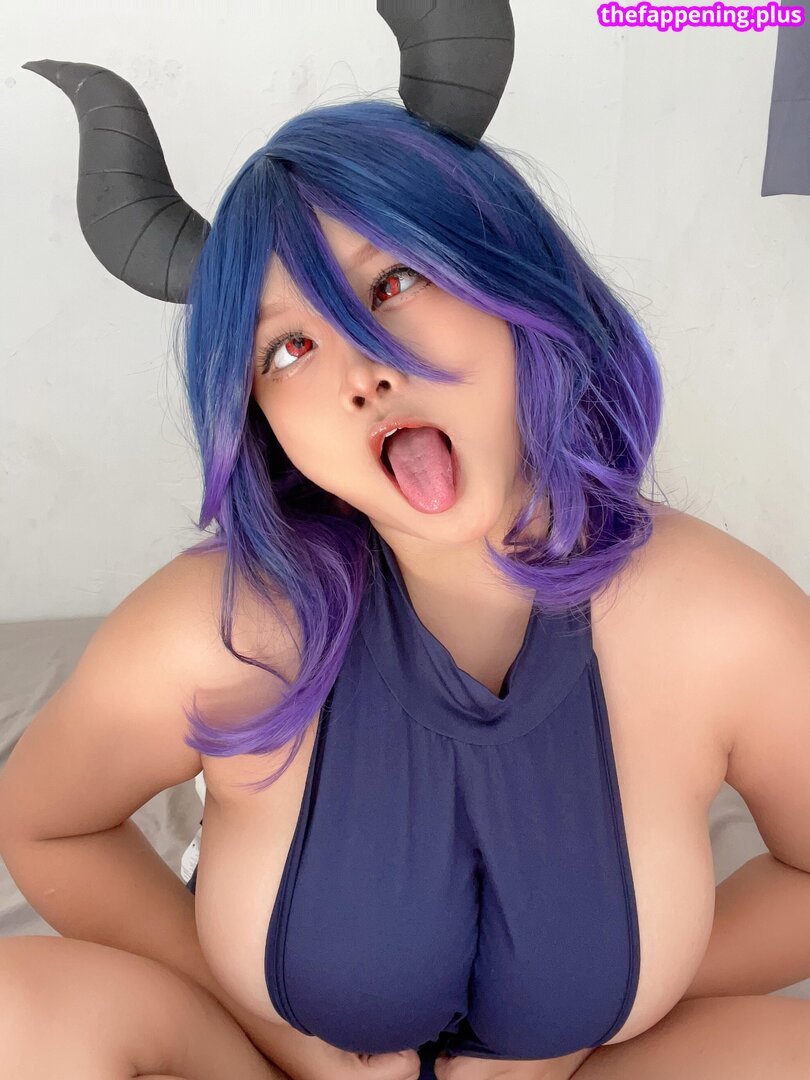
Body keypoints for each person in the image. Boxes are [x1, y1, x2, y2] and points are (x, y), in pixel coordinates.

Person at [2, 12, 809, 1080]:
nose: (361, 371)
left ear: (512, 276)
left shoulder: (725, 621)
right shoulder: (220, 628)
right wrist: (276, 1035)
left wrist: (602, 1022)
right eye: (289, 347)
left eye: (392, 283)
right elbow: (46, 825)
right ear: (263, 422)